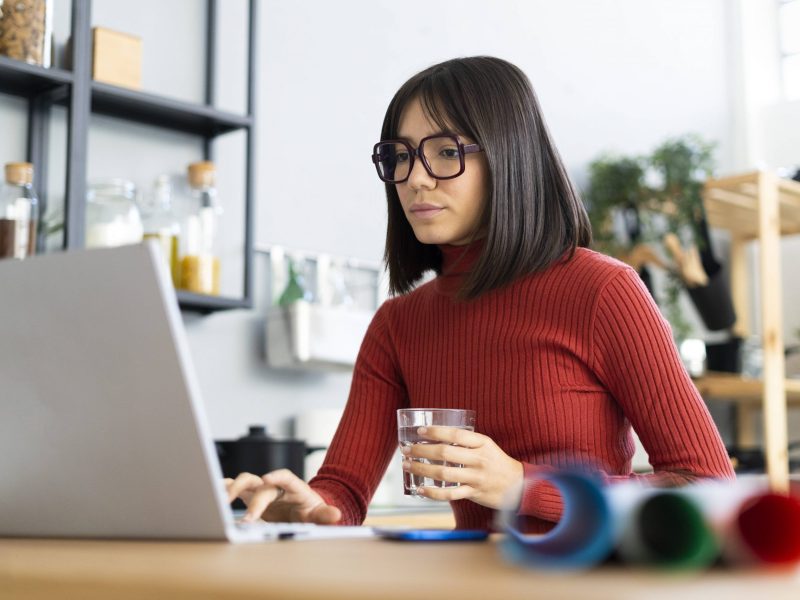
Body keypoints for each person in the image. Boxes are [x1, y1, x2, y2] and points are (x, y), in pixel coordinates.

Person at [226, 56, 734, 533]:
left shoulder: (603, 290)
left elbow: (705, 487)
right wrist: (308, 508)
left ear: (509, 157)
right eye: (400, 157)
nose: (415, 180)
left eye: (446, 152)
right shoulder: (398, 324)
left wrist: (520, 484)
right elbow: (345, 493)